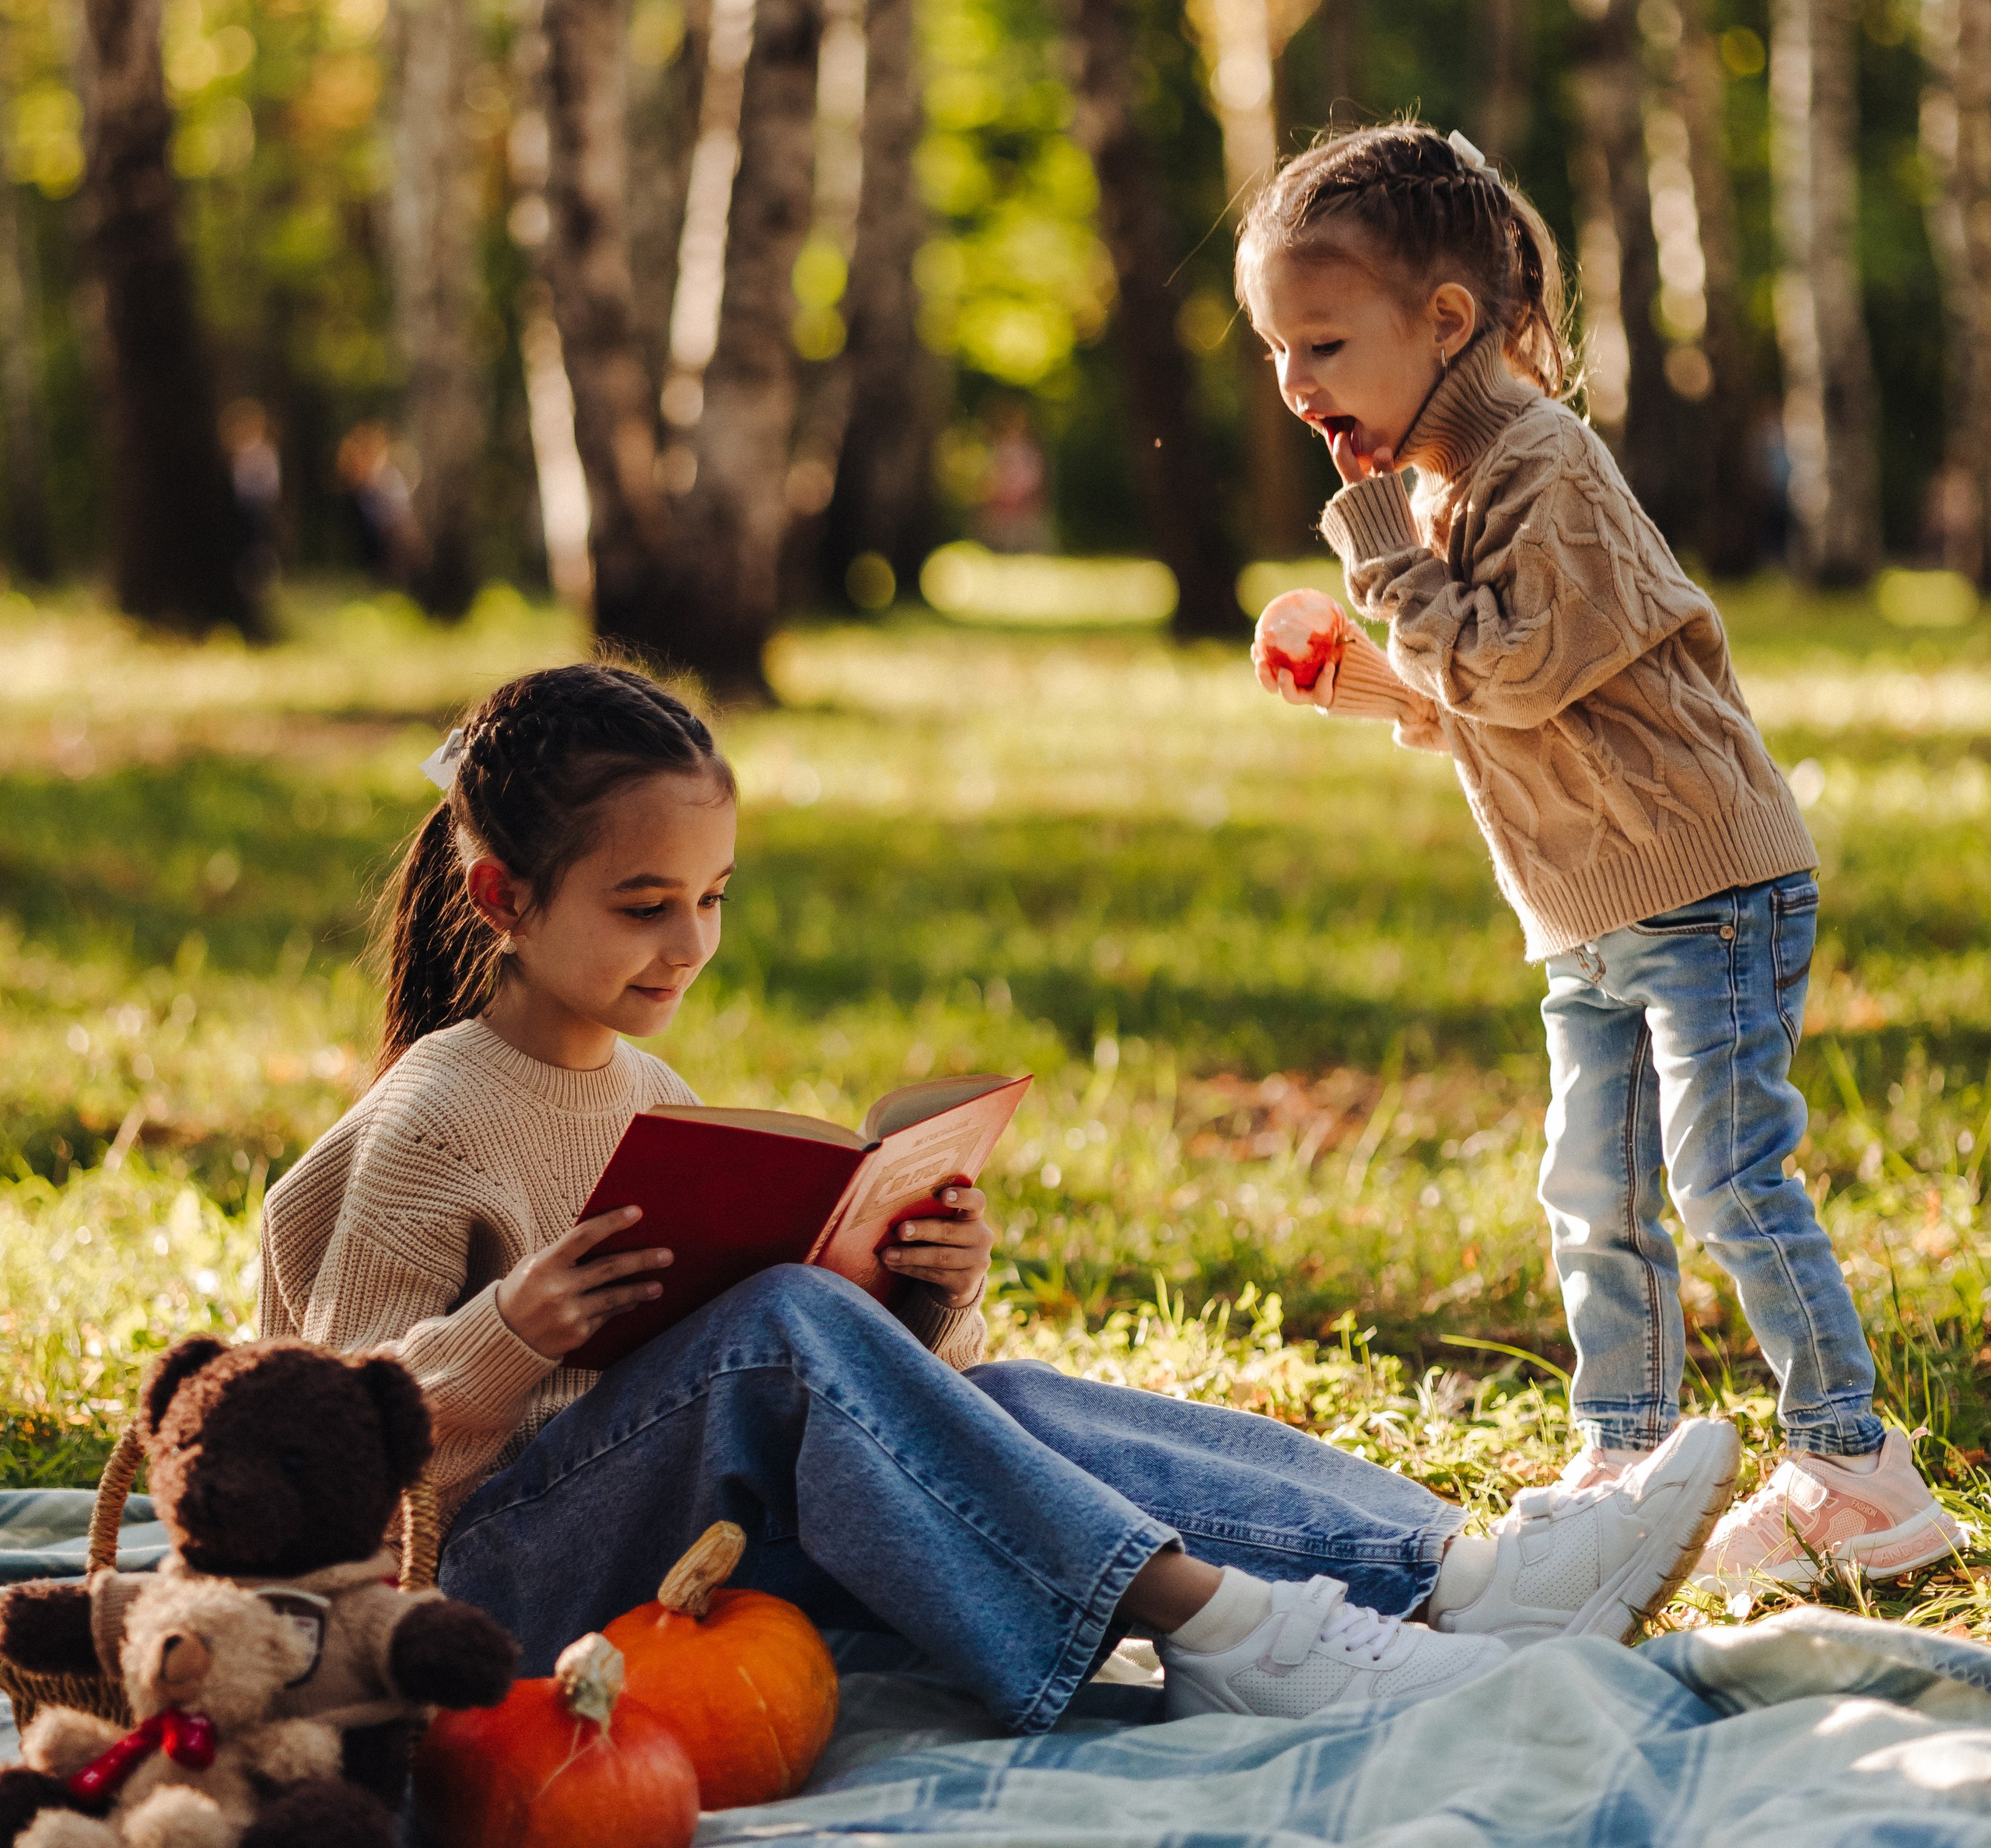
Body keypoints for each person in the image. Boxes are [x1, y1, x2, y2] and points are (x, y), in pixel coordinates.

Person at [259, 662, 1737, 1736]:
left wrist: (922, 1287)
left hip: (677, 1550)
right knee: (779, 1327)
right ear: (502, 898)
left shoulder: (647, 1099)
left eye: (713, 897)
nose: (689, 942)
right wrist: (511, 1331)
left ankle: (1459, 1581)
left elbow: (893, 1419)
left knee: (1002, 1393)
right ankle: (1233, 1633)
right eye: (644, 907)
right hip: (485, 1596)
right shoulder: (438, 1116)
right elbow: (327, 1447)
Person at [1240, 120, 1964, 1601]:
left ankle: (1855, 1470)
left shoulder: (1539, 462)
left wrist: (1380, 565)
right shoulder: (1447, 485)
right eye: (1277, 351)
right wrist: (1362, 685)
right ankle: (1622, 1456)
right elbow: (1492, 712)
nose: (1294, 385)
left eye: (1320, 344)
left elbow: (1509, 677)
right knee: (1598, 1189)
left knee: (1725, 1175)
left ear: (1445, 322)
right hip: (1589, 905)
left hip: (1701, 888)